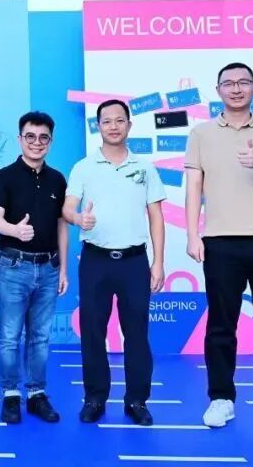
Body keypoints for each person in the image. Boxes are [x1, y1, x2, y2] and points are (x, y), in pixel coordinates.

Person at [184, 62, 253, 432]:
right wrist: (192, 234)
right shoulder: (201, 134)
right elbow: (193, 187)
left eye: (243, 82)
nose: (236, 88)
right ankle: (221, 399)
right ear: (218, 90)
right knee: (221, 326)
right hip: (220, 242)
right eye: (228, 83)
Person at [63, 99, 166, 426]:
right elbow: (67, 208)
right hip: (95, 260)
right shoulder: (83, 167)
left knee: (137, 333)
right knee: (93, 332)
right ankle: (95, 398)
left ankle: (136, 400)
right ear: (98, 126)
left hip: (135, 261)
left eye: (119, 120)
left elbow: (156, 216)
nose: (113, 126)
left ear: (129, 125)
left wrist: (158, 262)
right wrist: (78, 219)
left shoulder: (144, 167)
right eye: (106, 121)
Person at [0, 111, 69, 424]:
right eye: (30, 136)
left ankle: (36, 394)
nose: (37, 142)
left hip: (49, 268)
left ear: (51, 141)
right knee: (10, 336)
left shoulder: (57, 179)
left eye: (43, 137)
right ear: (20, 138)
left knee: (40, 337)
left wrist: (63, 268)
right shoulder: (4, 176)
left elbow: (62, 225)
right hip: (13, 266)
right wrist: (15, 230)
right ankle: (10, 394)